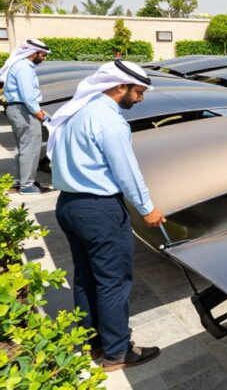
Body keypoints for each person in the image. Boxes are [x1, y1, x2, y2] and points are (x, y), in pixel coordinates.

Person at [47, 60, 165, 371]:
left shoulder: (78, 111)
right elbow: (127, 172)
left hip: (69, 205)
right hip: (99, 211)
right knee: (113, 281)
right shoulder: (109, 121)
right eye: (138, 91)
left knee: (86, 277)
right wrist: (147, 208)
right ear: (120, 86)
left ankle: (93, 343)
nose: (140, 98)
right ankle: (117, 352)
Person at [1, 39, 51, 194]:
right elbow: (28, 95)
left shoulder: (19, 65)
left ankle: (23, 180)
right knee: (31, 147)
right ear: (34, 53)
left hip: (18, 108)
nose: (44, 58)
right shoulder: (24, 67)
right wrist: (38, 113)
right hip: (23, 110)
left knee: (24, 147)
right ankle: (27, 185)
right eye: (43, 55)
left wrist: (39, 110)